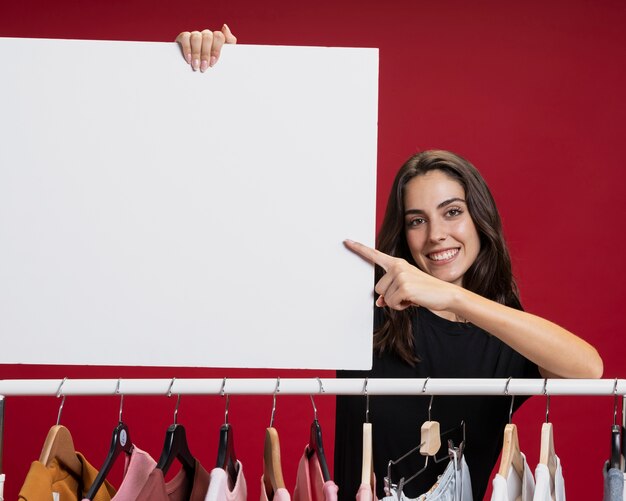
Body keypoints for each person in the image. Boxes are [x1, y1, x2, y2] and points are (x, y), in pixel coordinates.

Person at [174, 28, 603, 500]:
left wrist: (455, 297)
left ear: (481, 221)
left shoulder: (503, 335)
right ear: (403, 234)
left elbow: (588, 369)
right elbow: (264, 220)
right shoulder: (364, 310)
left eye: (453, 212)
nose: (437, 234)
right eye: (417, 220)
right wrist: (233, 84)